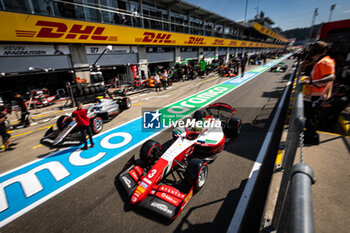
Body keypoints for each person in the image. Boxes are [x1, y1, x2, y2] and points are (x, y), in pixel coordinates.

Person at [302, 41, 336, 145]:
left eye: (312, 49)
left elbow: (331, 77)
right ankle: (308, 134)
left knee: (310, 116)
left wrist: (312, 82)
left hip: (317, 95)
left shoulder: (324, 62)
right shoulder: (320, 61)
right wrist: (308, 79)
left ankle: (312, 137)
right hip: (313, 94)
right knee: (308, 116)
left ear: (316, 50)